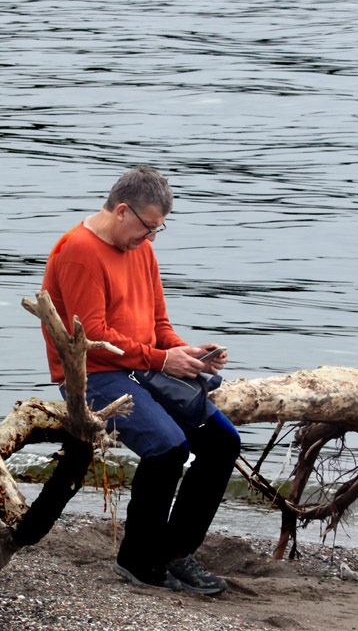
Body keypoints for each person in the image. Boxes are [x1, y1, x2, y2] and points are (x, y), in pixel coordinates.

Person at [41, 167, 241, 595]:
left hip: (142, 368)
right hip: (93, 376)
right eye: (148, 227)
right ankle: (137, 559)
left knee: (223, 441)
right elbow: (90, 339)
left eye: (158, 230)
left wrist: (186, 354)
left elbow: (157, 324)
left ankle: (173, 552)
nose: (150, 238)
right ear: (122, 211)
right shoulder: (78, 251)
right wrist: (161, 359)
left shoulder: (141, 250)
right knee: (169, 448)